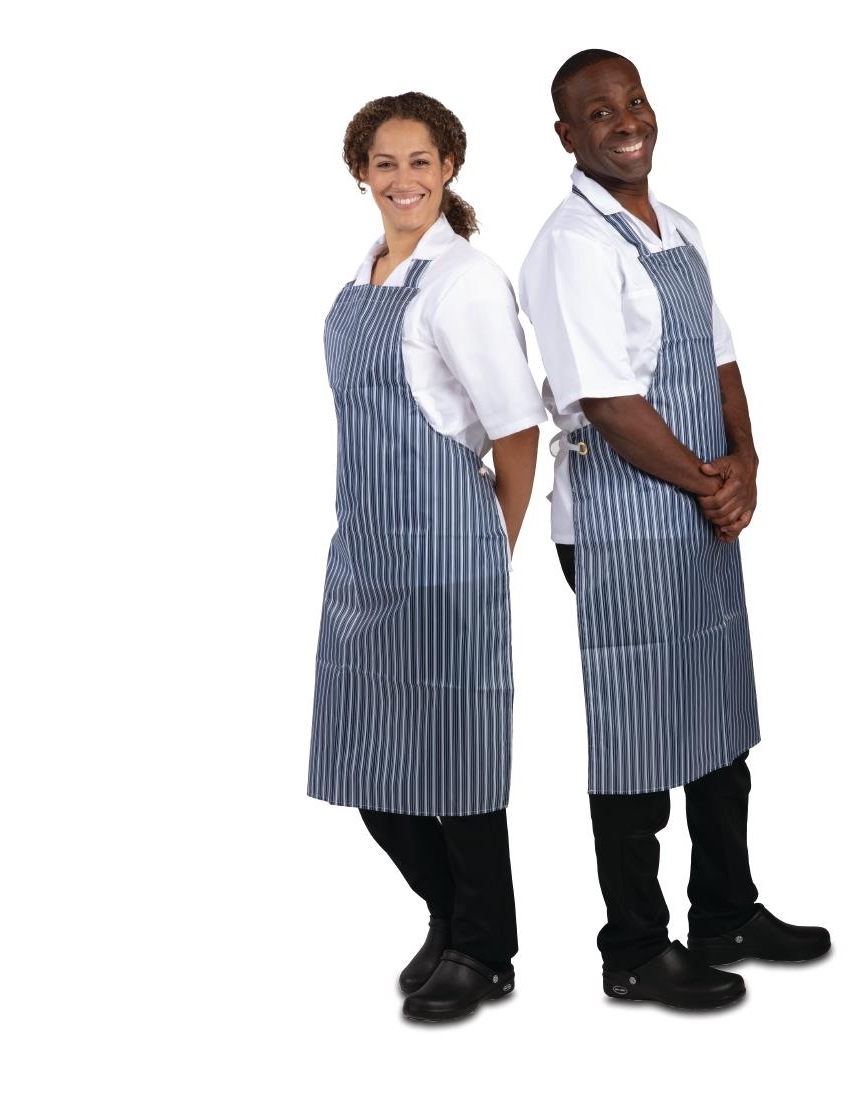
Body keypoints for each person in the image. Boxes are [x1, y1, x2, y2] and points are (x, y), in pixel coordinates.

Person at [519, 50, 831, 1010]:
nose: (626, 121)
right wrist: (711, 484)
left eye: (635, 101)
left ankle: (726, 911)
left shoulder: (678, 227)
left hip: (699, 506)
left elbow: (721, 359)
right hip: (622, 523)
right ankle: (634, 950)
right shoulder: (571, 246)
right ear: (566, 135)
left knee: (719, 722)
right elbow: (608, 404)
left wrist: (748, 463)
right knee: (640, 734)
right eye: (598, 111)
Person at [308, 91, 545, 1024]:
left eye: (420, 161)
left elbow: (516, 431)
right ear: (360, 174)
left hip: (448, 553)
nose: (403, 179)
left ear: (449, 167)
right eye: (385, 163)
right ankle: (450, 915)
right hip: (364, 553)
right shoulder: (363, 275)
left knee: (456, 764)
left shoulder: (466, 281)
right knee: (372, 764)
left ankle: (484, 951)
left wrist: (492, 549)